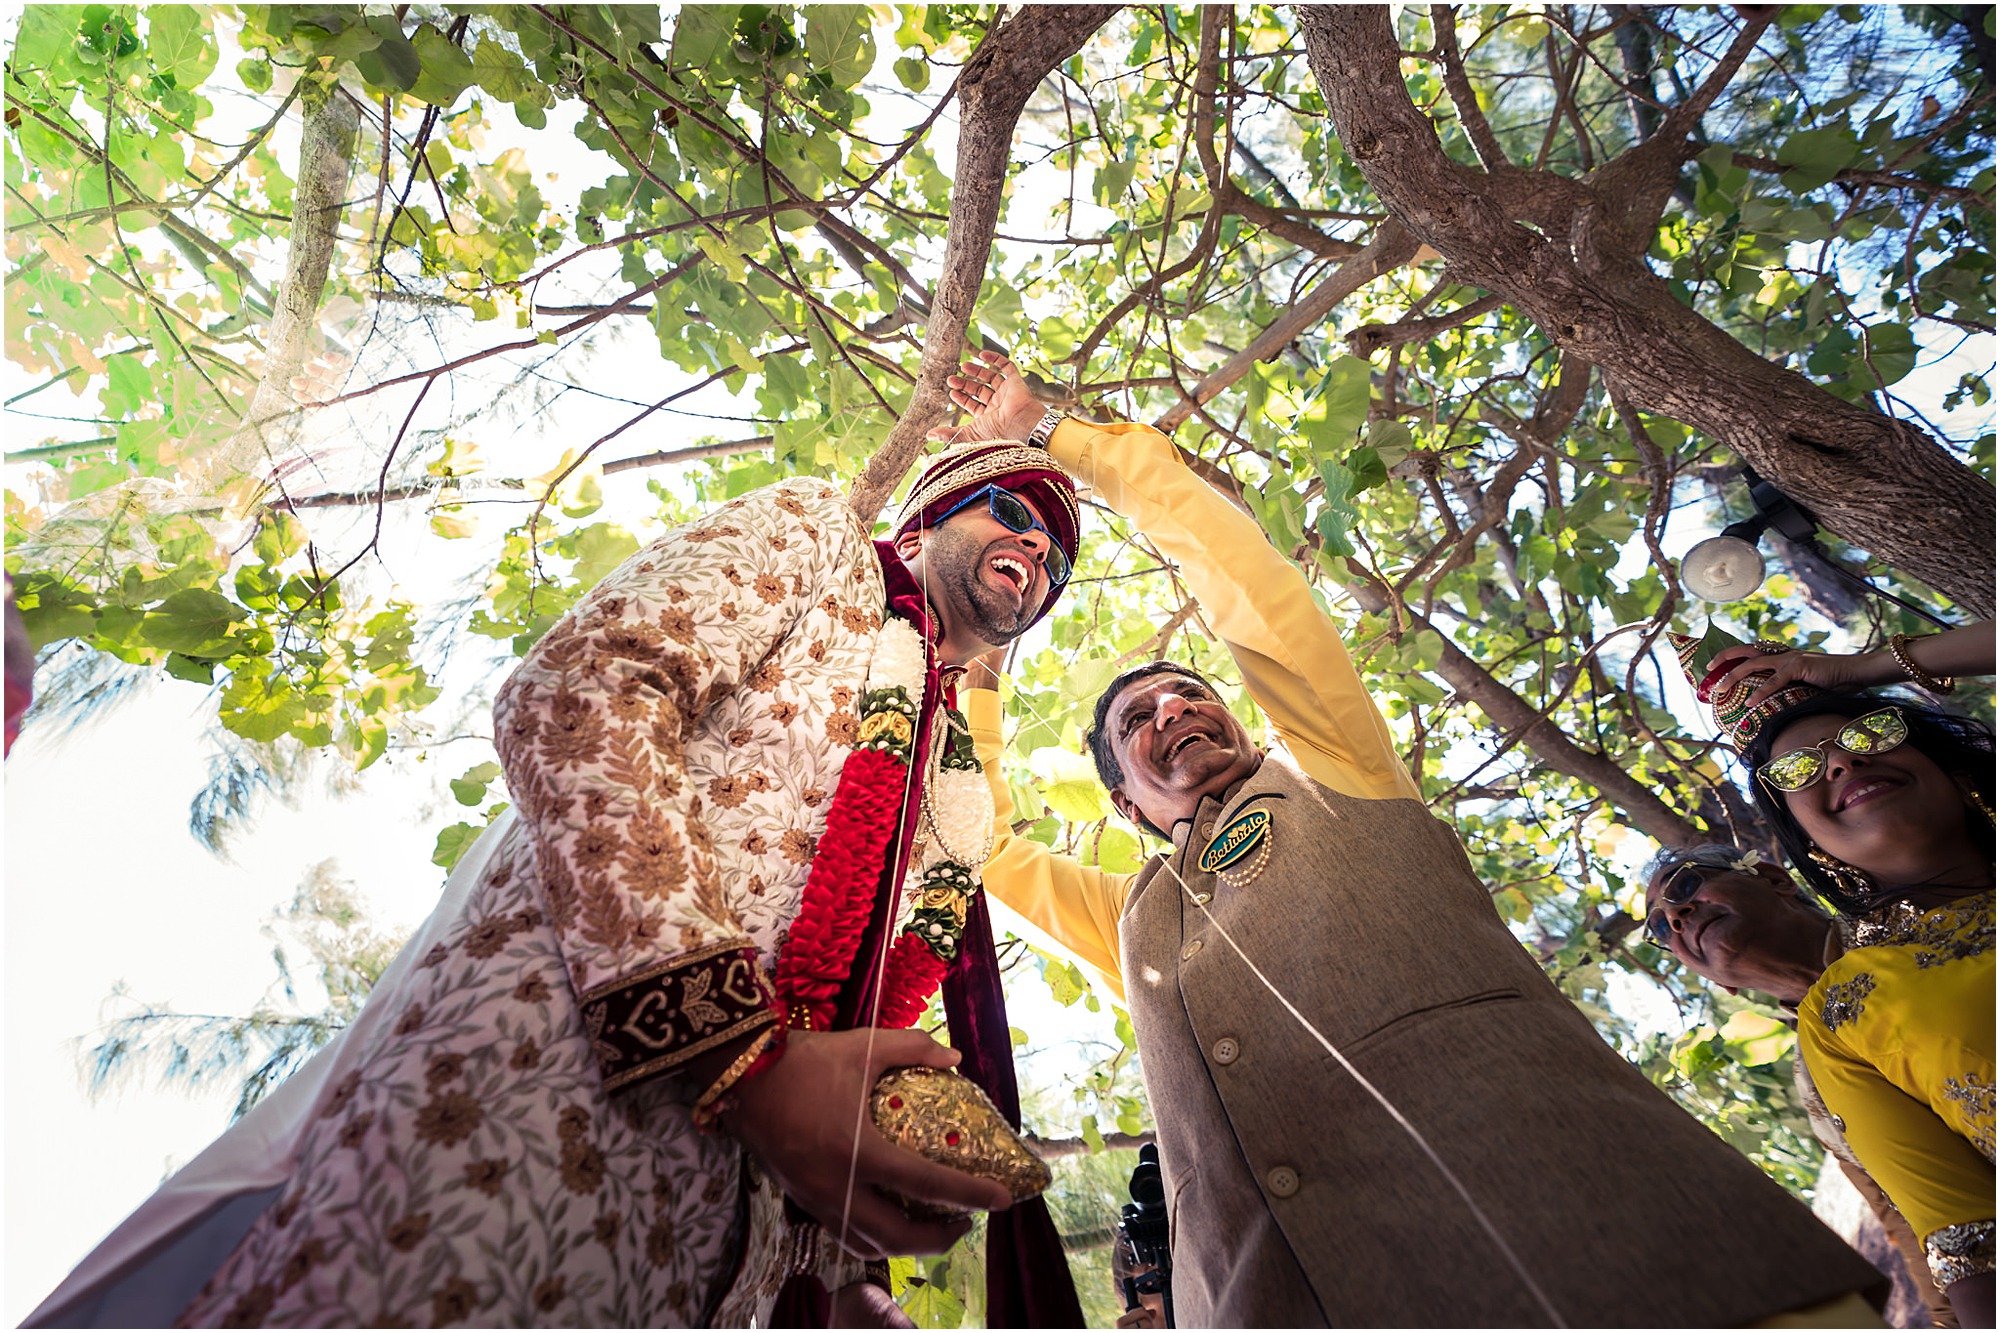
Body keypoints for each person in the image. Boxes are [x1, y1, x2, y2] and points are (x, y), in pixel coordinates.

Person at [25, 443, 1088, 1327]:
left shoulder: (956, 794)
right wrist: (741, 1060)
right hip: (538, 1091)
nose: (1036, 547)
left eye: (1057, 559)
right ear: (935, 512)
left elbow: (857, 1004)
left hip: (721, 1257)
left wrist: (834, 1276)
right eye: (1014, 510)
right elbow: (581, 689)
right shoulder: (818, 546)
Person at [946, 351, 1887, 1326]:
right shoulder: (1132, 924)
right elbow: (983, 849)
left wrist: (1048, 433)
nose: (1173, 706)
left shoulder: (1327, 762)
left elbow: (1239, 575)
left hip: (1633, 1261)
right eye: (1135, 718)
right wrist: (978, 665)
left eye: (1190, 690)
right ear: (1124, 802)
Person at [1674, 637, 1995, 1326]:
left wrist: (1865, 669)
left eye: (1869, 732)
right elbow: (1966, 1249)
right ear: (1810, 843)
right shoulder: (1841, 1021)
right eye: (1800, 767)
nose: (1845, 758)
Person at [1639, 844, 1961, 1327]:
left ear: (1773, 878)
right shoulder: (1815, 1089)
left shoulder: (1927, 916)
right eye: (1662, 929)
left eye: (1683, 885)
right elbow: (1905, 1220)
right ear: (1716, 982)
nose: (1678, 917)